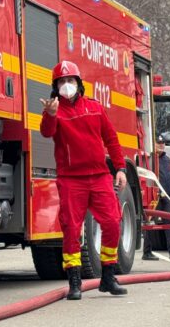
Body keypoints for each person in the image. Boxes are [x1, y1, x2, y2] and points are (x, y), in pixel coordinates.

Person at [39, 60, 128, 301]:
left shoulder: (95, 108)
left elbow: (111, 139)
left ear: (79, 84)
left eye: (70, 81)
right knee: (71, 229)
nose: (66, 85)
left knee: (112, 222)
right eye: (61, 82)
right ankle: (74, 282)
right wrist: (50, 115)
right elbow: (46, 133)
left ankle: (108, 276)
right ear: (55, 87)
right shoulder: (54, 112)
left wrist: (120, 168)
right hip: (71, 180)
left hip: (99, 176)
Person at [142, 136, 170, 262]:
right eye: (159, 143)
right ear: (153, 144)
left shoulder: (166, 160)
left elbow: (167, 177)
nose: (161, 145)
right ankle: (147, 252)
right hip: (153, 195)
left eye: (163, 143)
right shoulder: (149, 159)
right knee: (150, 223)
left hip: (166, 195)